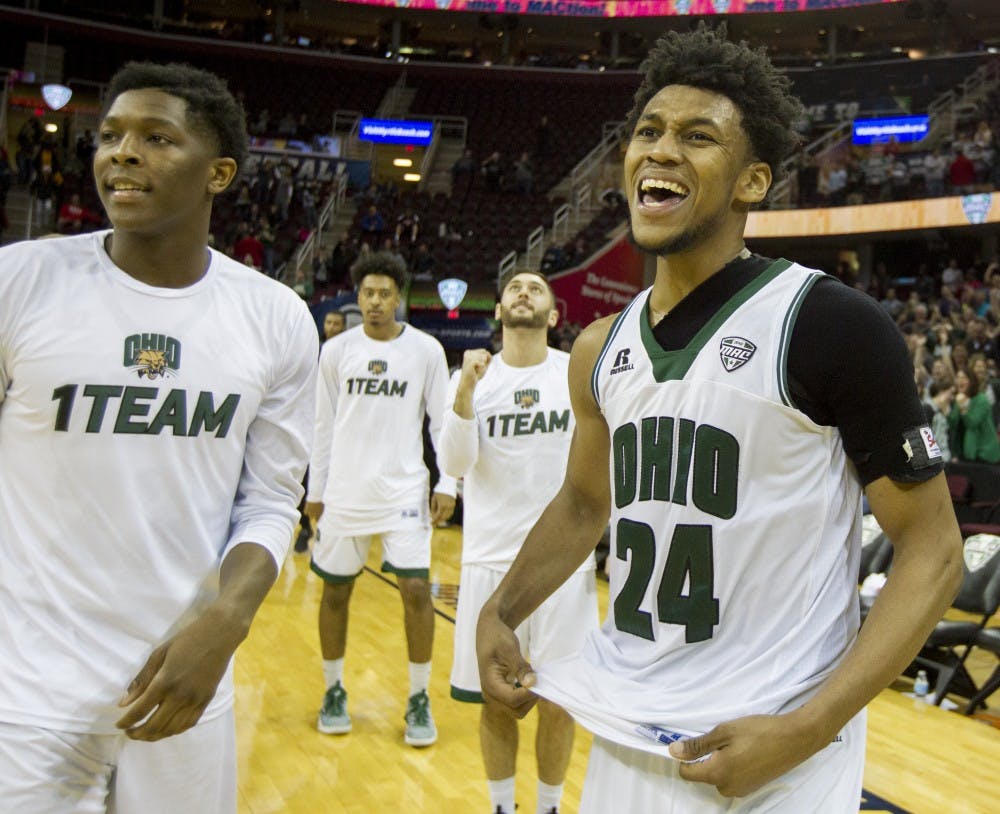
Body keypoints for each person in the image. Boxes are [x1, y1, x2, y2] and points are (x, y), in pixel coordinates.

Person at [476, 25, 962, 813]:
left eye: (698, 138)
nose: (661, 151)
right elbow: (581, 503)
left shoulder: (829, 324)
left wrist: (810, 727)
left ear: (752, 181)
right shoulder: (600, 347)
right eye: (648, 132)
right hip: (626, 727)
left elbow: (934, 548)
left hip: (776, 753)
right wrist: (502, 610)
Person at [0, 62, 317, 812]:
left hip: (184, 685)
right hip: (27, 688)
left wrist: (226, 624)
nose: (121, 153)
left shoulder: (274, 318)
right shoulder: (19, 281)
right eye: (109, 136)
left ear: (221, 174)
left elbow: (271, 503)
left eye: (156, 137)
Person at [438, 270, 599, 814]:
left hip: (564, 567)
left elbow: (599, 469)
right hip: (491, 563)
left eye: (535, 288)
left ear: (554, 315)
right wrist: (463, 391)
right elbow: (455, 466)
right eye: (513, 288)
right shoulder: (471, 379)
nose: (523, 292)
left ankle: (550, 806)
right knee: (498, 700)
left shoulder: (574, 374)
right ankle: (504, 807)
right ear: (500, 311)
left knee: (559, 704)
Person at [306, 251, 457, 747]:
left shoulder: (427, 351)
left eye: (384, 293)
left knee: (416, 593)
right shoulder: (336, 351)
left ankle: (418, 699)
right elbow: (322, 427)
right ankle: (333, 689)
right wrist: (316, 491)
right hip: (345, 492)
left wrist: (446, 482)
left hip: (403, 491)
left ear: (399, 298)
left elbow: (441, 422)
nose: (375, 301)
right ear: (358, 298)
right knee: (337, 592)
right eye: (367, 293)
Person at [948, 369, 1000, 464]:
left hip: (985, 452)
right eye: (958, 378)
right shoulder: (959, 399)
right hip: (967, 452)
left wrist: (962, 407)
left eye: (964, 378)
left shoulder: (981, 399)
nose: (960, 381)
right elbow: (953, 423)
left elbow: (972, 423)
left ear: (972, 381)